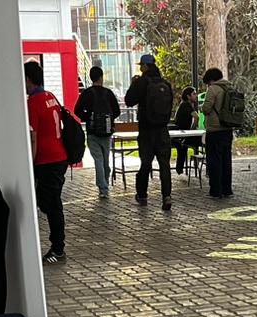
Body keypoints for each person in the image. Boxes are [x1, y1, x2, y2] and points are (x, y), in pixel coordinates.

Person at [23, 60, 69, 265]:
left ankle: (58, 248)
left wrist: (30, 165)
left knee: (51, 205)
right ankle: (57, 244)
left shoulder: (33, 102)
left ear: (28, 80)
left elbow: (33, 137)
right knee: (51, 202)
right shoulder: (51, 97)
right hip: (60, 157)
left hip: (46, 160)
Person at [125, 53, 175, 211]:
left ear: (146, 66)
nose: (140, 68)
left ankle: (142, 195)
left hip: (147, 131)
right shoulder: (165, 84)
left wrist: (133, 84)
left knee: (145, 164)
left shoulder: (142, 82)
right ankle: (167, 196)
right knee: (164, 165)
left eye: (141, 65)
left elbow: (128, 101)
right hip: (163, 130)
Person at [74, 64, 122, 199]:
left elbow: (77, 109)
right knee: (105, 160)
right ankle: (105, 182)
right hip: (107, 133)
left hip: (92, 132)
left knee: (98, 160)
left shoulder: (86, 93)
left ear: (91, 78)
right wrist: (109, 119)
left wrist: (88, 117)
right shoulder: (108, 93)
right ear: (101, 77)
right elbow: (117, 111)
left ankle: (103, 189)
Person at [202, 67, 236, 199]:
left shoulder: (213, 89)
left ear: (211, 80)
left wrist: (204, 107)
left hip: (215, 130)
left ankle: (216, 190)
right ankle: (227, 189)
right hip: (228, 128)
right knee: (226, 160)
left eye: (208, 83)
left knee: (214, 161)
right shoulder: (230, 88)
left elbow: (206, 109)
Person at [174, 87, 200, 176]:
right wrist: (192, 130)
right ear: (188, 96)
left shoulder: (183, 104)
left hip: (180, 134)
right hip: (181, 135)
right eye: (194, 94)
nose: (196, 96)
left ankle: (180, 168)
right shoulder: (186, 105)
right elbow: (196, 117)